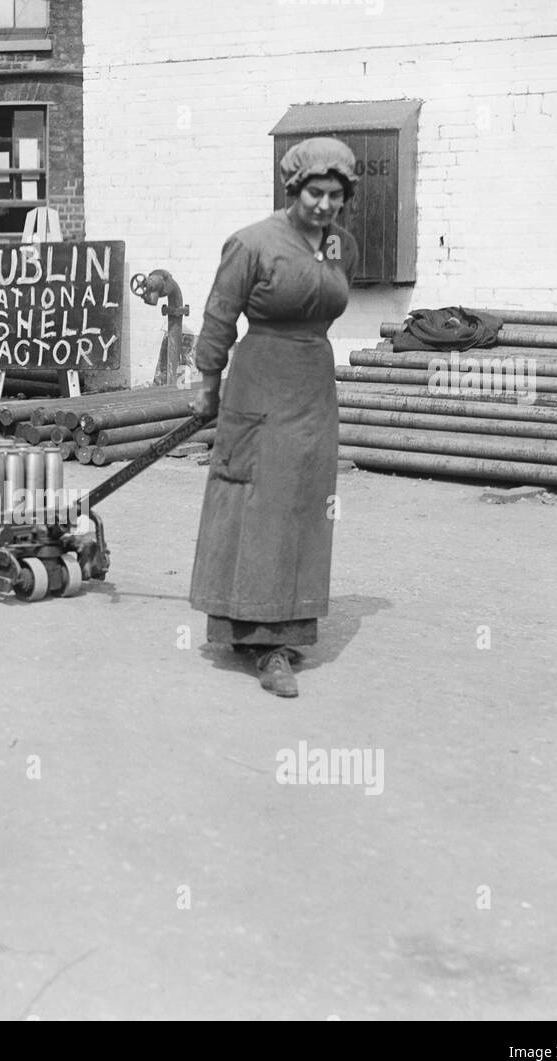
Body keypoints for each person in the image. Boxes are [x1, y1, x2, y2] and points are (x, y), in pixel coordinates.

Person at [188, 137, 360, 698]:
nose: (324, 205)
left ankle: (289, 627)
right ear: (294, 188)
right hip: (259, 385)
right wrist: (208, 382)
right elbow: (219, 317)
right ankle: (261, 644)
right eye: (315, 192)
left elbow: (327, 299)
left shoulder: (342, 248)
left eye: (335, 195)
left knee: (306, 503)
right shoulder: (252, 243)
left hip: (313, 385)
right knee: (259, 504)